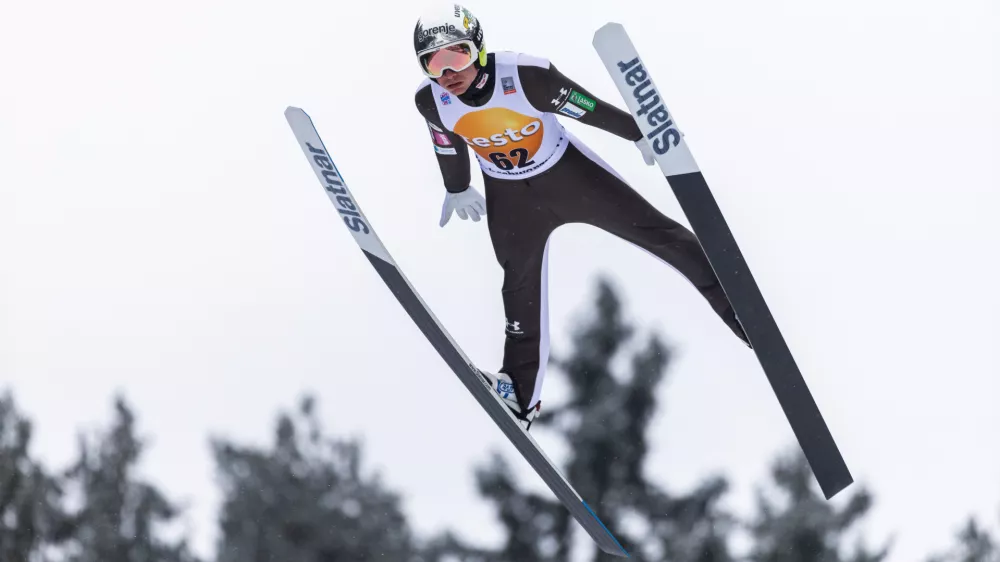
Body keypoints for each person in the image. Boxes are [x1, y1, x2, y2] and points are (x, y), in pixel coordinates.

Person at [412, 4, 750, 431]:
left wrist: (639, 133)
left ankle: (742, 311)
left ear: (478, 48)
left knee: (660, 235)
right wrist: (457, 186)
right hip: (512, 199)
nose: (447, 73)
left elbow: (586, 107)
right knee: (518, 288)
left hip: (570, 178)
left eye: (455, 56)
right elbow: (447, 141)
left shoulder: (525, 76)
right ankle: (519, 392)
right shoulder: (432, 101)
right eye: (433, 63)